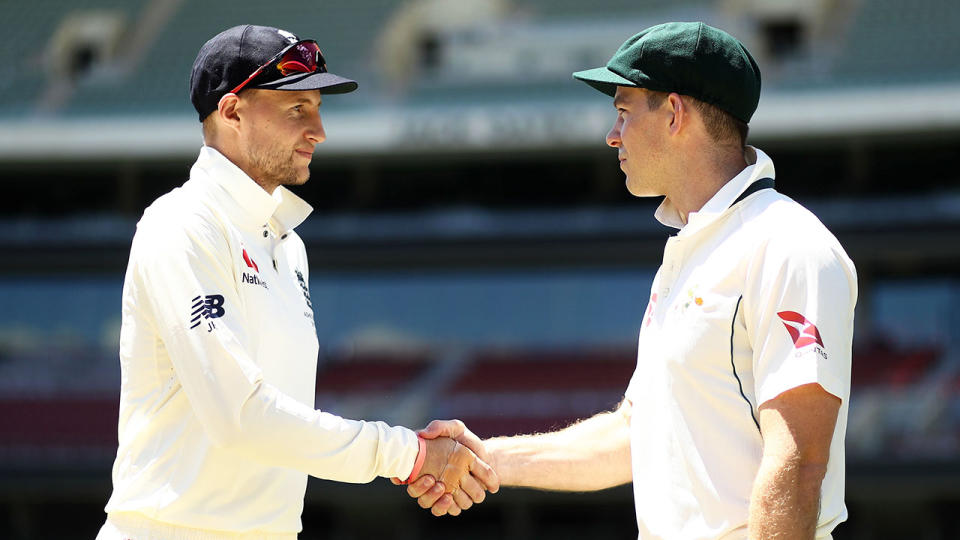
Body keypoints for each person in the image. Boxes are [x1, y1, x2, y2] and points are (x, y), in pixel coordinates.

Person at [405, 21, 857, 539]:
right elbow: (634, 433)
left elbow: (797, 463)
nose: (611, 134)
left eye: (623, 111)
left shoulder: (788, 244)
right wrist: (486, 458)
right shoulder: (689, 252)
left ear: (674, 113)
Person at [96, 24, 497, 540]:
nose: (318, 131)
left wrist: (413, 455)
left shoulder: (287, 243)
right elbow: (242, 415)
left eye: (318, 108)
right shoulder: (181, 224)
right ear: (232, 111)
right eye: (296, 109)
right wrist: (409, 454)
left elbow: (278, 421)